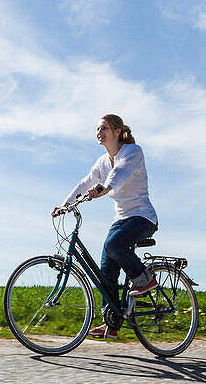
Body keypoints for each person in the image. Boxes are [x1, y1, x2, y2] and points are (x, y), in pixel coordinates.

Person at [54, 114, 158, 340]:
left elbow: (118, 175)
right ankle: (110, 322)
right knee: (106, 269)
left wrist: (104, 189)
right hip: (121, 219)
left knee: (114, 244)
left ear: (118, 131)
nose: (99, 132)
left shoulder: (132, 152)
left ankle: (144, 279)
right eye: (97, 129)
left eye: (105, 128)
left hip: (143, 217)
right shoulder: (102, 161)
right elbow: (86, 182)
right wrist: (65, 204)